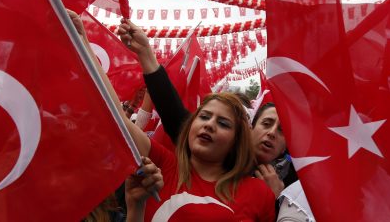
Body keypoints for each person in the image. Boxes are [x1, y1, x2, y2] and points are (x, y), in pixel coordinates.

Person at [69, 11, 275, 221]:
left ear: (237, 141)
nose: (210, 125)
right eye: (204, 117)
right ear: (190, 126)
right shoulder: (159, 167)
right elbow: (115, 116)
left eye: (223, 123)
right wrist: (84, 43)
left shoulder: (260, 193)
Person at [117, 19, 295, 198]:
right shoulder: (192, 161)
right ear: (249, 130)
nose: (271, 133)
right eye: (266, 123)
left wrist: (275, 200)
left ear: (287, 147)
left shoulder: (292, 186)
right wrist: (146, 53)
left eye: (282, 130)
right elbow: (171, 110)